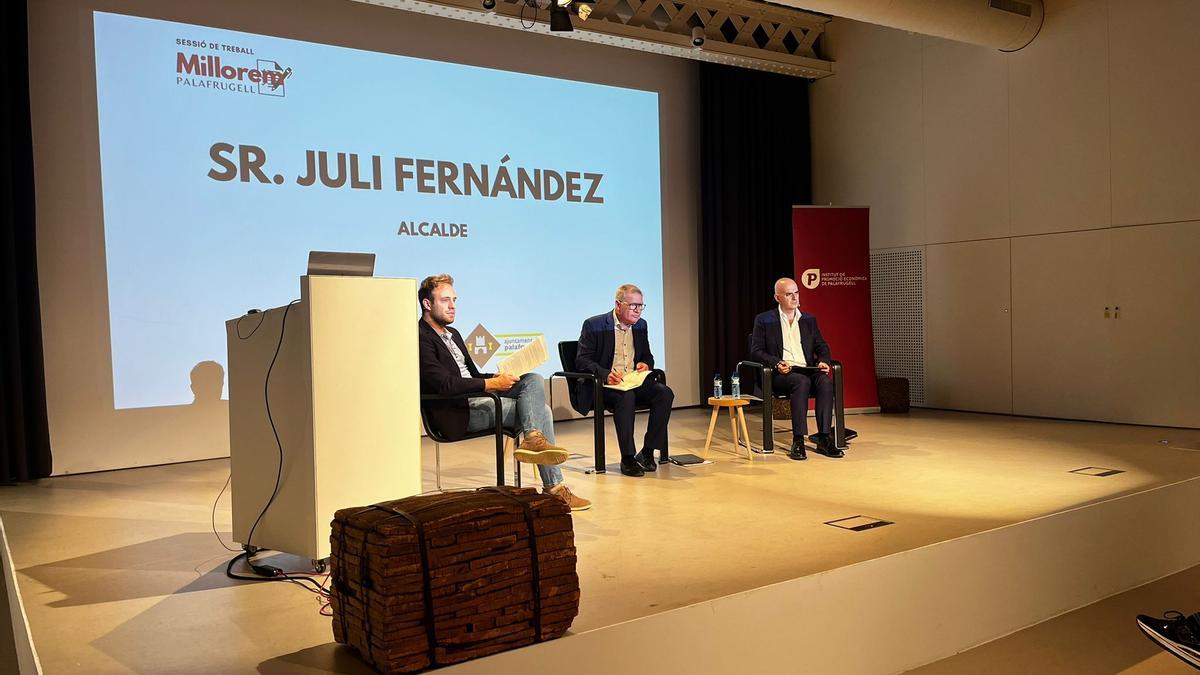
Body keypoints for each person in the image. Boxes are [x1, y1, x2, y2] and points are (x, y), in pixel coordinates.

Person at [417, 274, 590, 511]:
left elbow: (472, 376)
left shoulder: (453, 334)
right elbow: (444, 385)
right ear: (427, 304)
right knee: (545, 413)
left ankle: (532, 440)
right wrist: (491, 386)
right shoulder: (421, 337)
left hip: (479, 397)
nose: (453, 306)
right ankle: (555, 487)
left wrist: (498, 378)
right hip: (458, 409)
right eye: (445, 300)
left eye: (454, 300)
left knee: (532, 379)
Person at [574, 283, 674, 477]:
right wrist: (604, 374)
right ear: (618, 305)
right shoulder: (594, 325)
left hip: (633, 380)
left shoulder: (641, 325)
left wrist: (645, 363)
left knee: (664, 393)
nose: (638, 311)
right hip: (606, 384)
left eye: (641, 306)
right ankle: (627, 458)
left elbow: (647, 355)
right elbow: (581, 359)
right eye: (633, 305)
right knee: (625, 397)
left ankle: (647, 452)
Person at [749, 277, 841, 461]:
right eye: (789, 294)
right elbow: (756, 351)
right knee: (801, 381)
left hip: (806, 369)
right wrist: (777, 362)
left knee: (824, 381)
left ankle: (824, 438)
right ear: (777, 297)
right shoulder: (765, 320)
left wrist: (824, 360)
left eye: (796, 293)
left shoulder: (808, 319)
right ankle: (798, 440)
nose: (795, 297)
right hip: (780, 374)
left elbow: (821, 345)